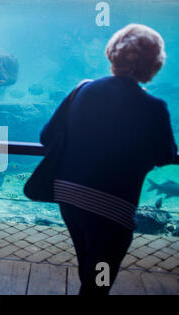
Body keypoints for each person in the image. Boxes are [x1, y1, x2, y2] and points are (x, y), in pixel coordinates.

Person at [40, 24, 177, 295]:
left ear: (113, 54)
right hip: (112, 207)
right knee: (101, 279)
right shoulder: (154, 107)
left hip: (70, 198)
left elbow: (47, 136)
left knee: (90, 267)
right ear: (155, 63)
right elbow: (165, 155)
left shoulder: (83, 89)